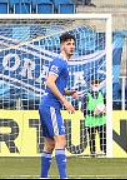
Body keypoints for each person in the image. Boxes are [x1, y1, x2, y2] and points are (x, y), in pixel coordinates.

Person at [40, 33, 81, 179]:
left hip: (47, 105)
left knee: (50, 144)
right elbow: (49, 82)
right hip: (51, 105)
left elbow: (56, 85)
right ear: (62, 45)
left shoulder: (63, 63)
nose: (72, 46)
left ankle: (43, 177)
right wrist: (65, 101)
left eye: (73, 44)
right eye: (68, 44)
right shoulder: (59, 62)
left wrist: (70, 93)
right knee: (61, 140)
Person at [83, 78, 107, 157]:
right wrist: (93, 113)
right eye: (94, 84)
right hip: (91, 121)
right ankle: (93, 153)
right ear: (90, 85)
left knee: (103, 137)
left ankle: (104, 151)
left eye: (97, 84)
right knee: (92, 137)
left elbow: (106, 106)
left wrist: (104, 110)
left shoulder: (102, 94)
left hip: (101, 120)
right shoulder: (87, 95)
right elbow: (83, 110)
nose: (95, 85)